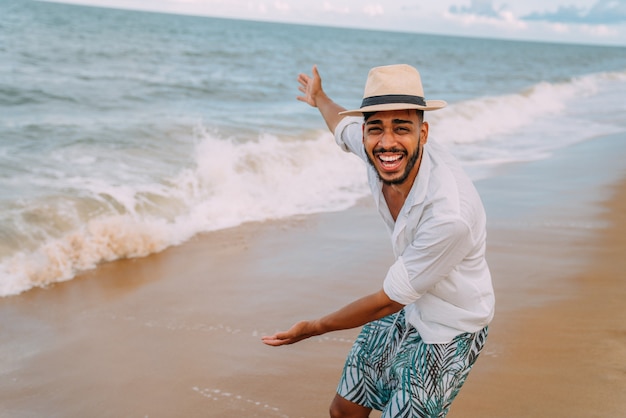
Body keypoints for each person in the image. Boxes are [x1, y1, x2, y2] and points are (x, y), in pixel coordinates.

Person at [262, 64, 495, 418]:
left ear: (424, 133)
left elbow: (387, 301)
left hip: (451, 326)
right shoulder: (376, 148)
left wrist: (313, 328)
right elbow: (341, 125)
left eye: (402, 128)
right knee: (344, 411)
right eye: (376, 129)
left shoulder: (450, 215)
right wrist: (319, 97)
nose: (387, 143)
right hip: (408, 305)